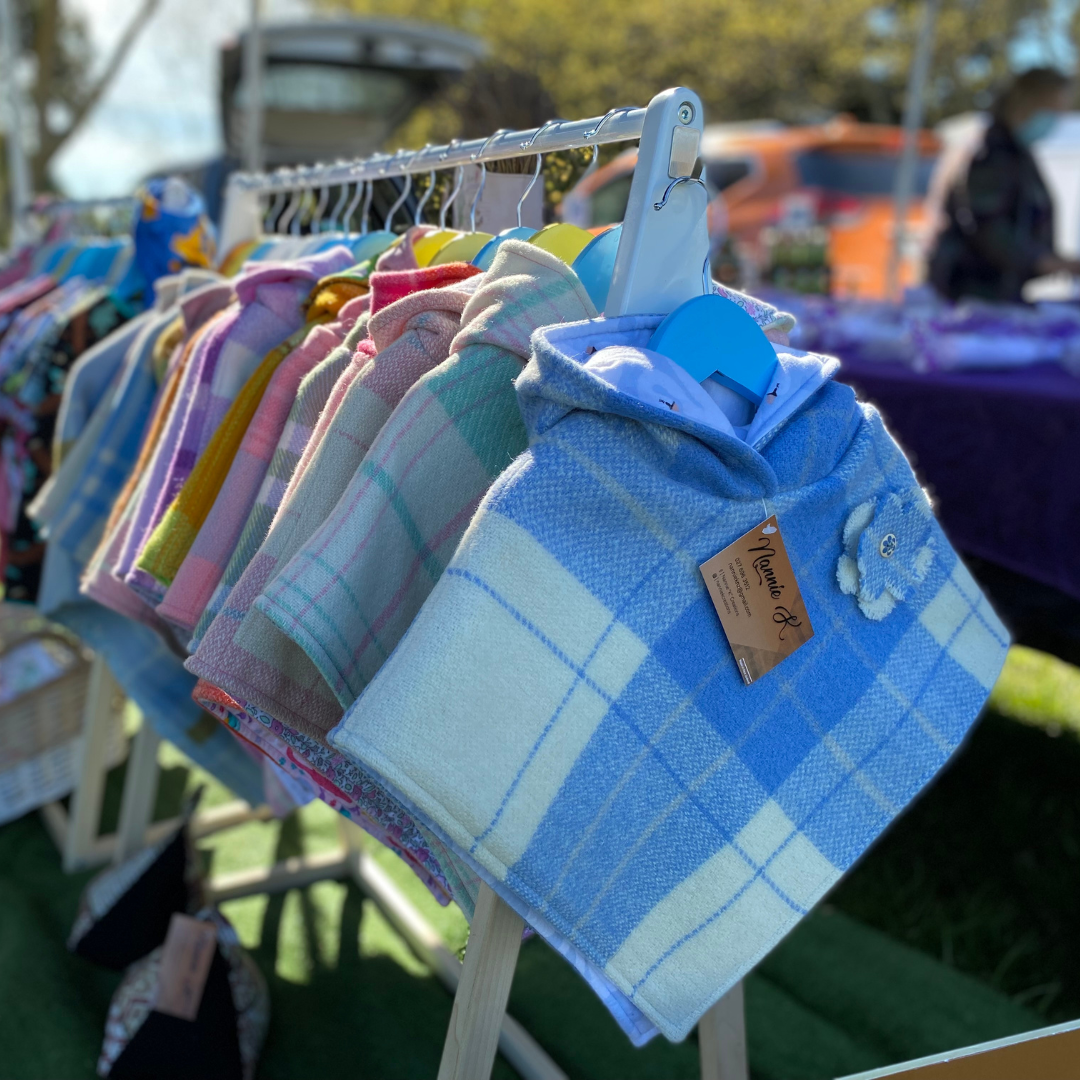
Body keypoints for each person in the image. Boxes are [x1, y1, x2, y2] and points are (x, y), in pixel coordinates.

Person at [929, 67, 1080, 303]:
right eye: (1053, 110)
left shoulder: (1016, 151)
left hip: (996, 289)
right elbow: (986, 226)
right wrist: (1044, 262)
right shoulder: (991, 151)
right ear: (1030, 103)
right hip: (971, 290)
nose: (1056, 120)